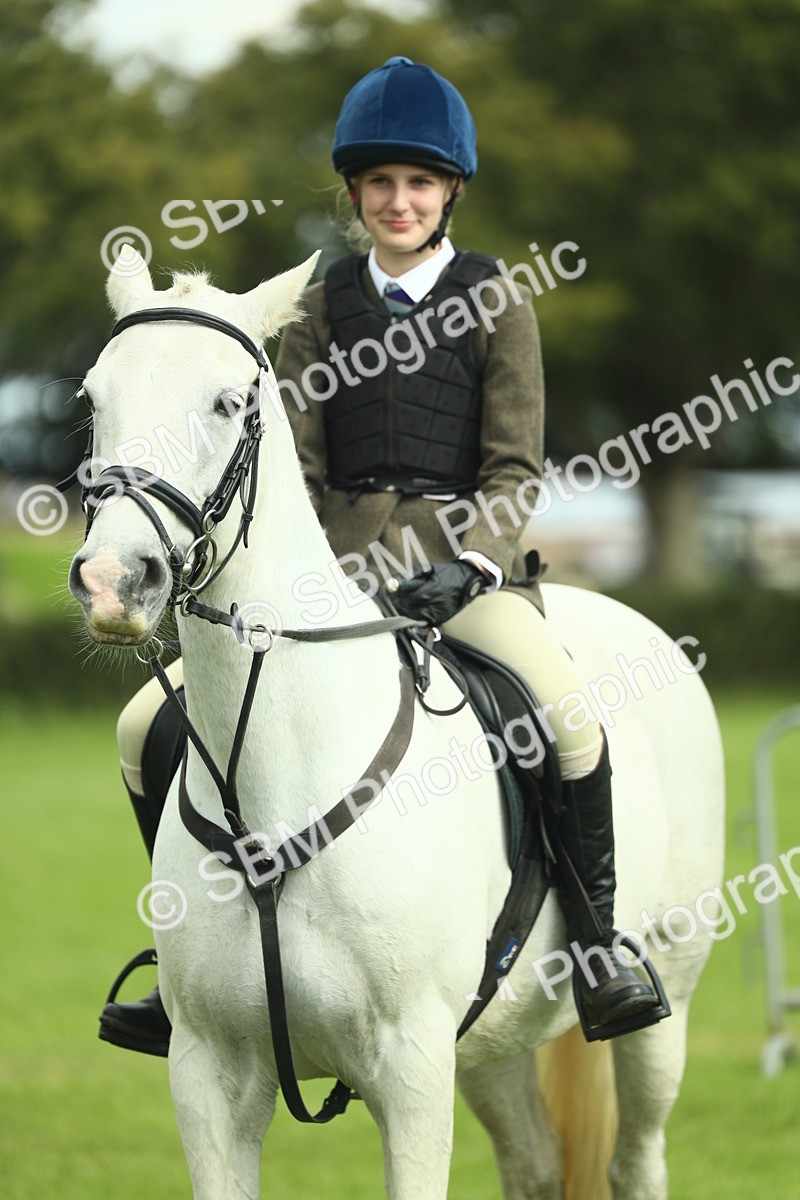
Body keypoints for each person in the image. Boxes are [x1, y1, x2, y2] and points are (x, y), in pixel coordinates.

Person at [99, 56, 664, 1056]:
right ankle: (178, 959)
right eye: (379, 184)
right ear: (354, 194)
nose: (397, 201)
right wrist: (306, 573)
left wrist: (475, 563)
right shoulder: (316, 308)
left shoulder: (497, 298)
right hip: (332, 580)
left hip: (462, 575)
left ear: (448, 191)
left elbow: (512, 470)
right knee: (146, 720)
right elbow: (297, 468)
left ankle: (596, 950)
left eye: (417, 183)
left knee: (567, 721)